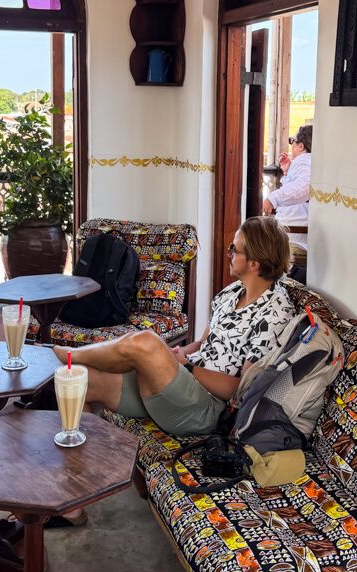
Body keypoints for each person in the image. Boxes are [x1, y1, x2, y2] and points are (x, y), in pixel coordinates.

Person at [54, 216, 296, 439]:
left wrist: (188, 367)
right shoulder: (231, 293)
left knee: (146, 341)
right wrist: (179, 356)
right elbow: (202, 344)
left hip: (207, 407)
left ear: (254, 263)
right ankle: (85, 472)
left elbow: (242, 391)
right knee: (77, 379)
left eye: (235, 249)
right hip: (181, 386)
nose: (229, 253)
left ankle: (63, 353)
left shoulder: (275, 313)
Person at [263, 124, 312, 284]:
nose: (291, 146)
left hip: (293, 235)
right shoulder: (303, 163)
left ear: (301, 145)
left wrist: (273, 198)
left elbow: (305, 187)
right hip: (291, 230)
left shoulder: (304, 160)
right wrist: (287, 171)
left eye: (293, 141)